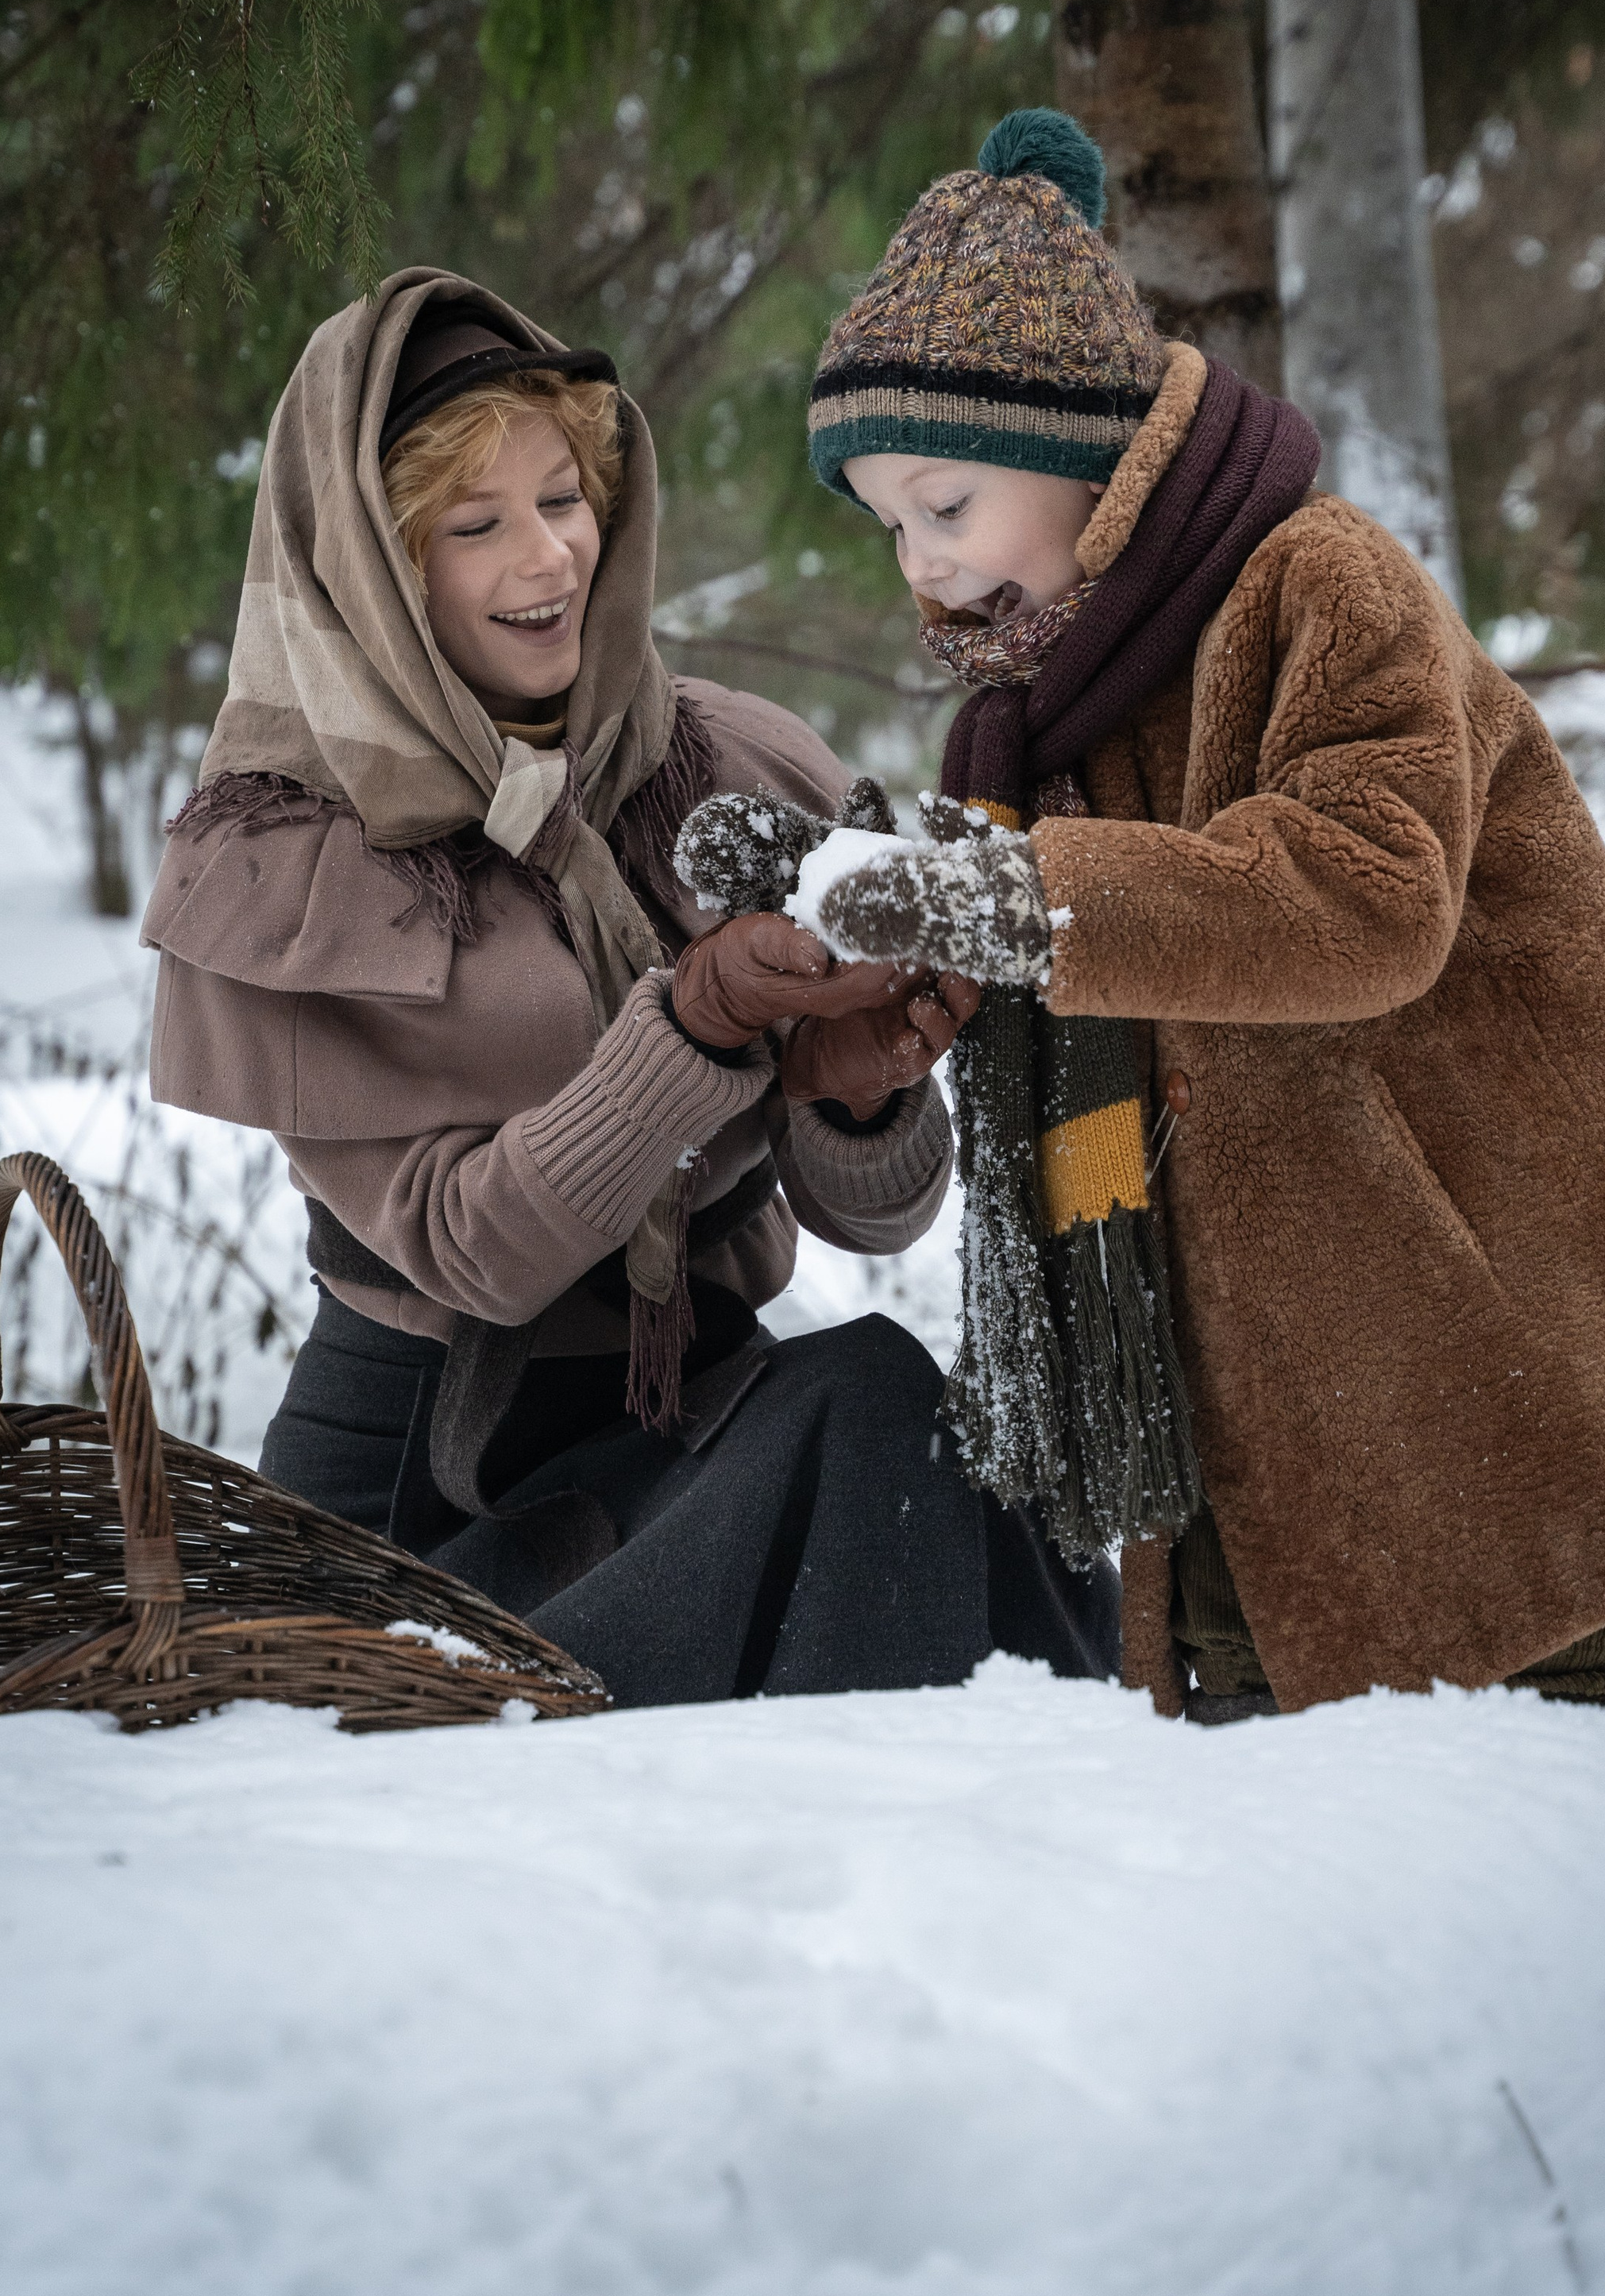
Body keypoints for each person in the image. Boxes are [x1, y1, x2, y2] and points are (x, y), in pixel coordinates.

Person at [793, 107, 1605, 1722]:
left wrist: (1012, 896)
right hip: (1234, 1401)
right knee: (1287, 1833)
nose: (919, 568)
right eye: (889, 528)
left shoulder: (1317, 583)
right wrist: (912, 978)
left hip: (1462, 1330)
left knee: (1521, 1772)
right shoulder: (1048, 710)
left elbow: (1361, 896)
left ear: (1081, 454)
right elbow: (1087, 980)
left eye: (944, 504)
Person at [142, 265, 1118, 1706]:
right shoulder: (298, 854)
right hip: (426, 1519)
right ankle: (893, 1867)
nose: (548, 561)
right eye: (474, 526)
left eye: (564, 499)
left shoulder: (729, 768)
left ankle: (1113, 1803)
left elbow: (880, 1217)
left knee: (962, 1455)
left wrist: (854, 1100)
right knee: (865, 1405)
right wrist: (699, 1023)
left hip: (690, 1427)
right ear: (374, 567)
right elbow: (473, 1251)